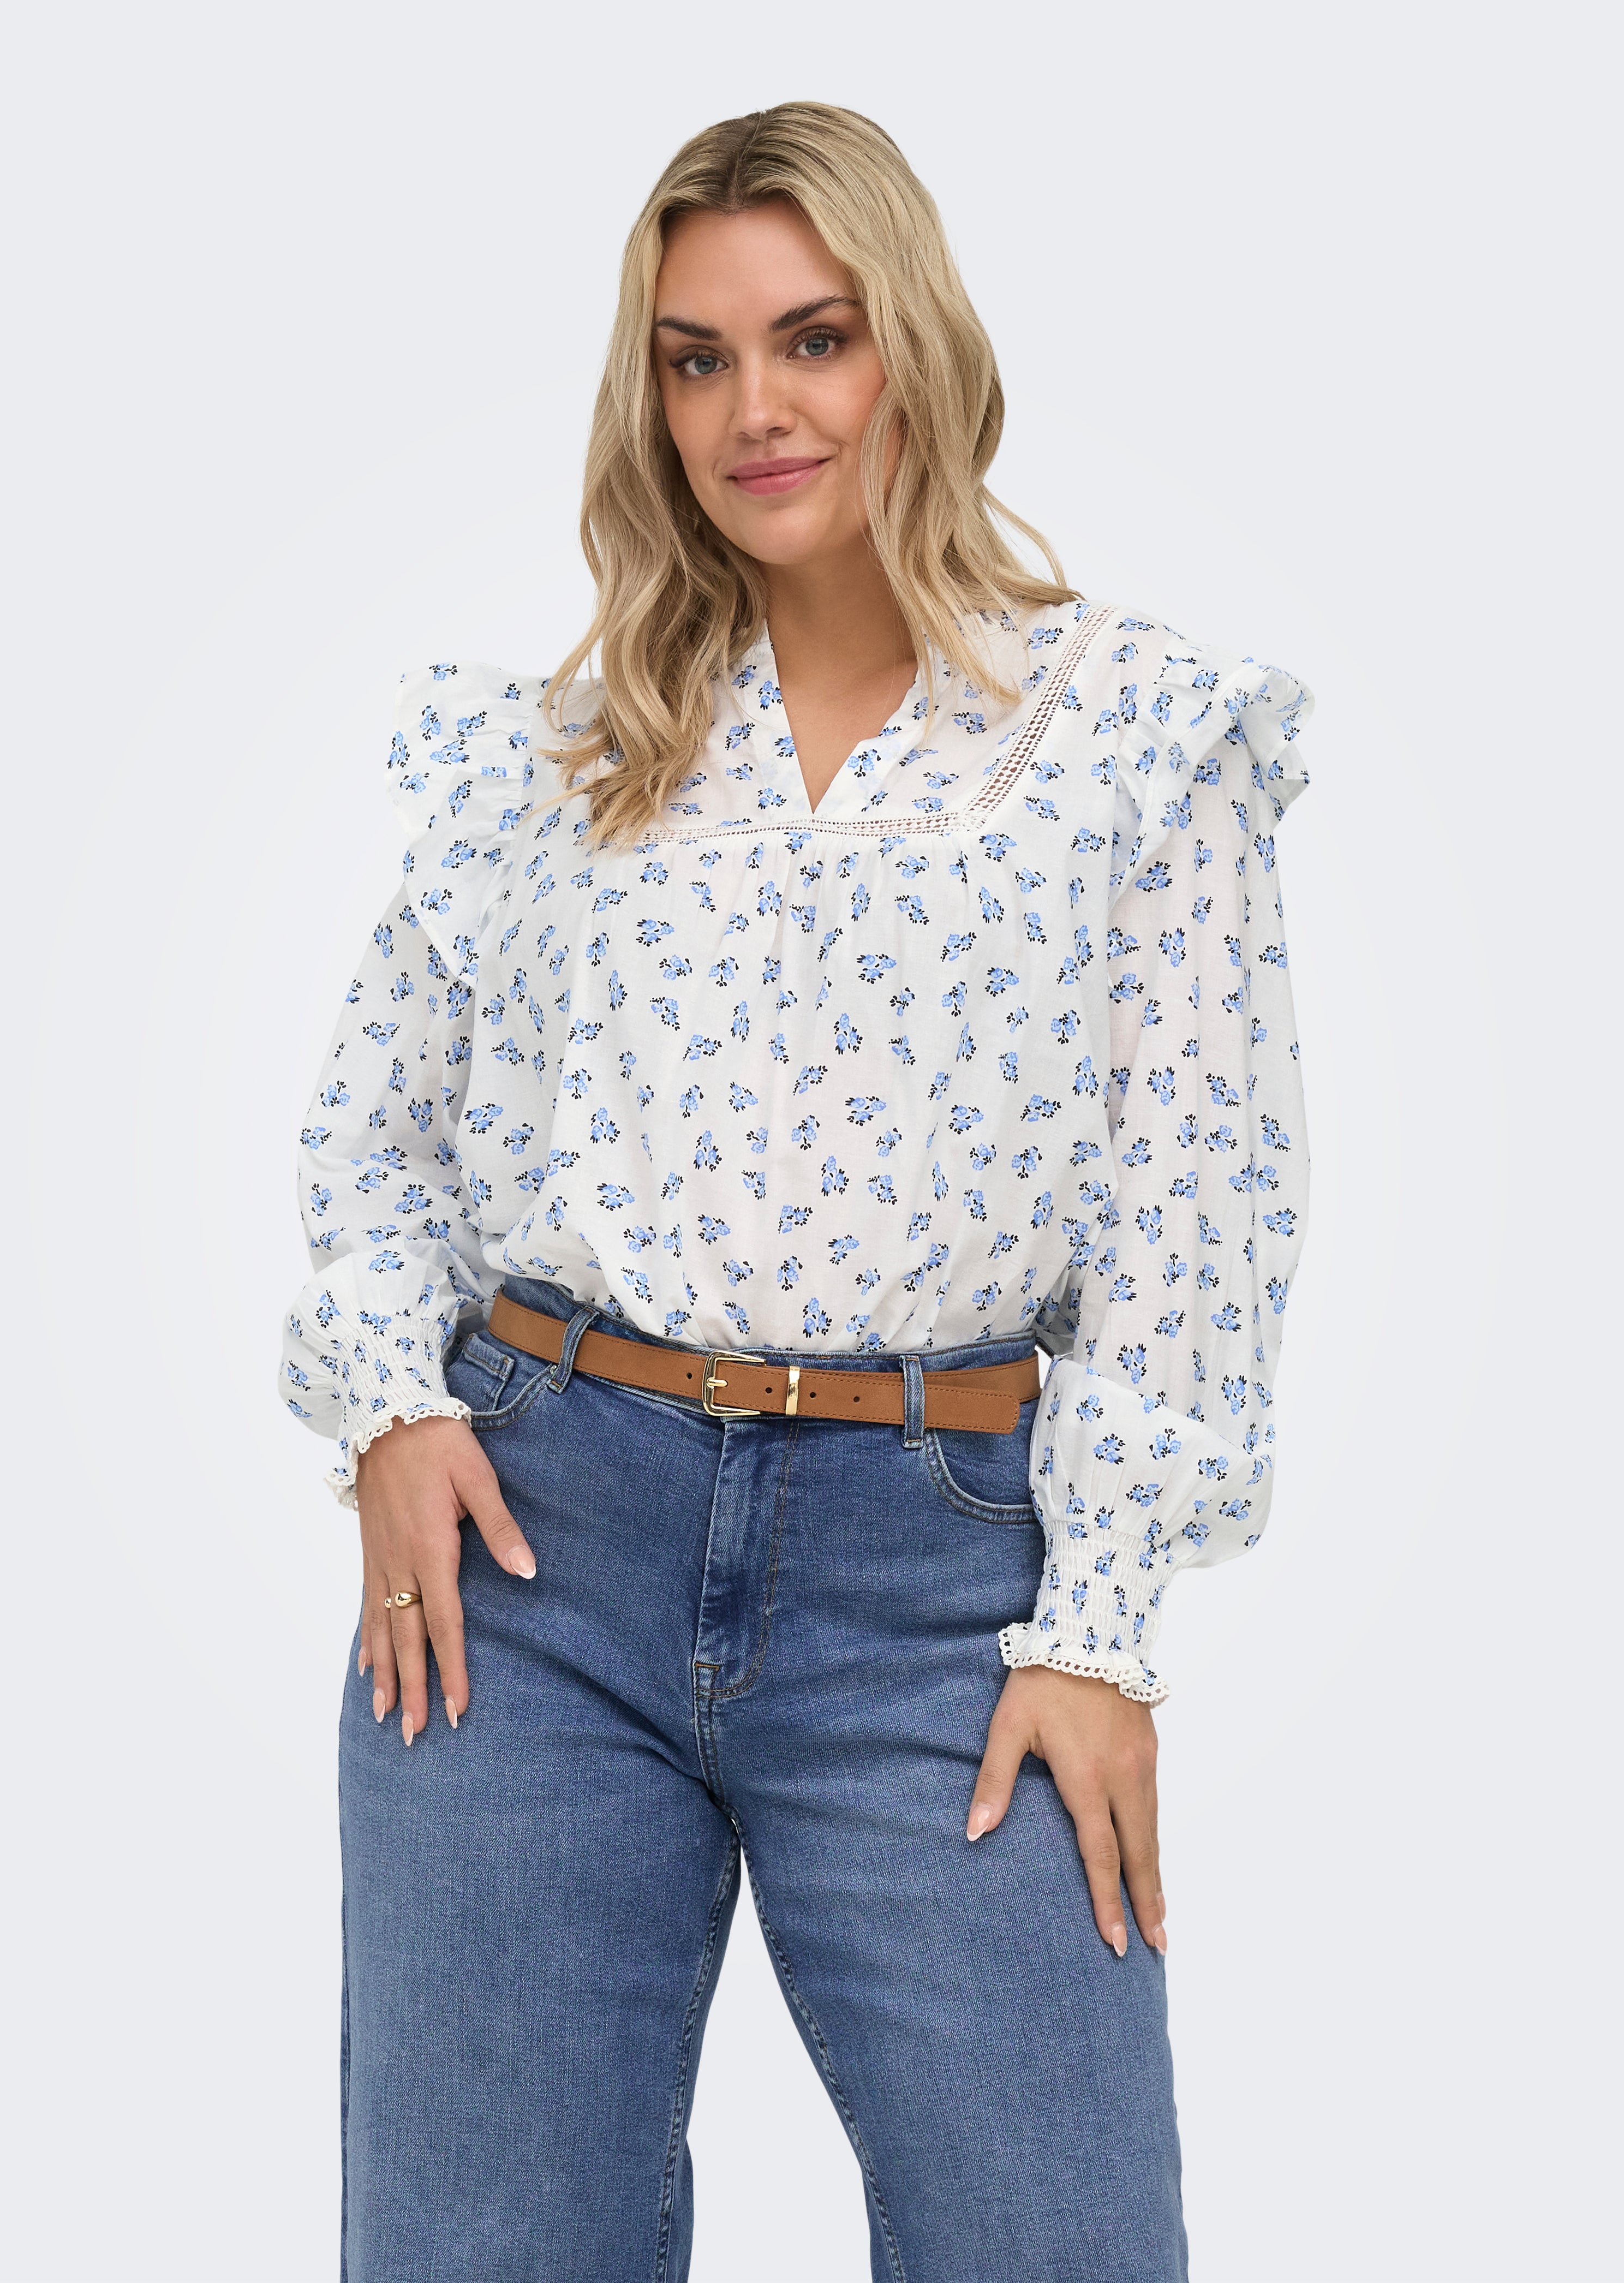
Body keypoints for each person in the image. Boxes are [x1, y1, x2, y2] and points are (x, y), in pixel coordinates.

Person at [280, 100, 1312, 2283]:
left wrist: (1099, 1627)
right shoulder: (564, 751)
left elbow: (1196, 1205)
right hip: (530, 1560)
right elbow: (375, 1116)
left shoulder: (1132, 734)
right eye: (695, 358)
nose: (753, 407)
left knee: (1053, 2237)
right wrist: (391, 1405)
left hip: (943, 1585)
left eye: (810, 339)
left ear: (910, 345)